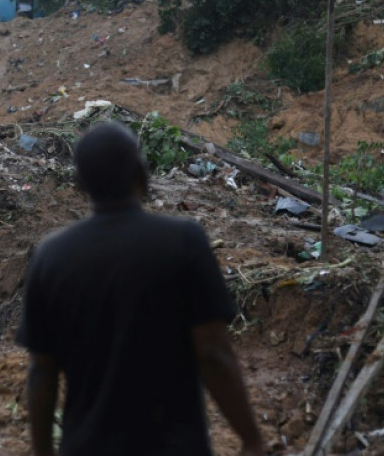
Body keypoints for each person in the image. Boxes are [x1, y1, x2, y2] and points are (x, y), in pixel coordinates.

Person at [16, 122, 265, 456]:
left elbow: (42, 370)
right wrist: (251, 438)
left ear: (79, 183)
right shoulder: (183, 241)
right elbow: (213, 353)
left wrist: (44, 452)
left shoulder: (52, 255)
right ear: (141, 174)